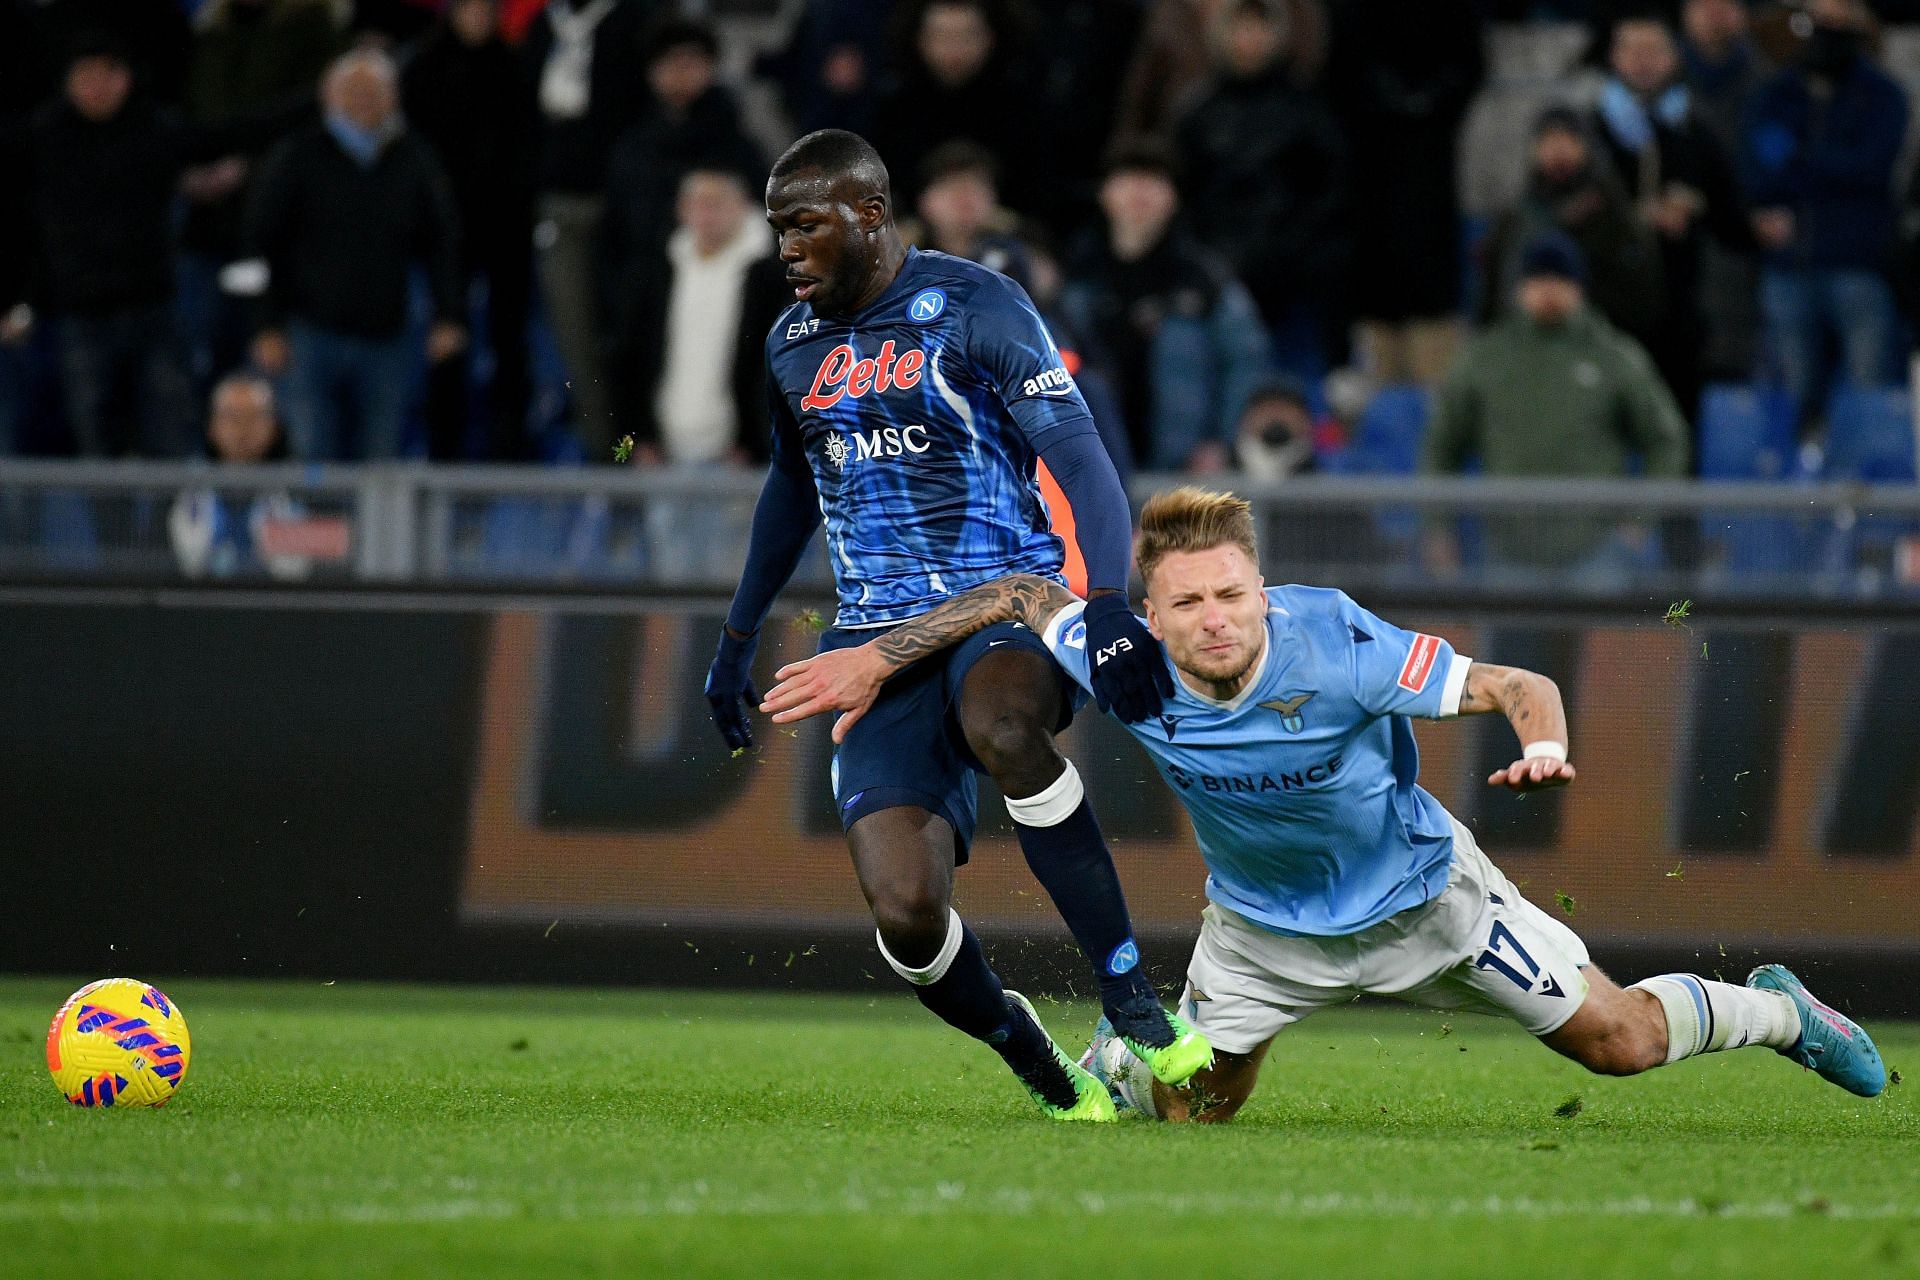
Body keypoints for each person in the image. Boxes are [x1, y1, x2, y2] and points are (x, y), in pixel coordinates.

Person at [761, 487, 1888, 1124]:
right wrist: (878, 658)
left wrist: (1542, 741)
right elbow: (1014, 588)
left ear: (1264, 586)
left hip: (1426, 897)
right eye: (1188, 600)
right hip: (1261, 927)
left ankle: (1783, 1011)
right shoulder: (1121, 657)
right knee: (1192, 1119)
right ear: (1146, 610)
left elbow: (1513, 684)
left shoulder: (1338, 643)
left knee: (1624, 1042)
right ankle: (1126, 1047)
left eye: (1234, 593)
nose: (1216, 619)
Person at [703, 129, 1207, 1121]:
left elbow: (1080, 452)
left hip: (1004, 607)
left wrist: (1107, 599)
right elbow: (788, 486)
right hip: (875, 638)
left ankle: (1128, 994)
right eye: (776, 231)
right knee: (905, 912)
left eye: (805, 225)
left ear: (873, 214)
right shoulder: (790, 343)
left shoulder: (975, 303)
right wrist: (735, 634)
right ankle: (1031, 1049)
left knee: (1004, 724)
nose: (787, 250)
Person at [245, 49, 465, 461]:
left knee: (381, 464)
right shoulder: (297, 156)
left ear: (394, 98)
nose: (363, 99)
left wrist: (448, 315)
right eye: (352, 90)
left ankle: (373, 532)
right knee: (312, 462)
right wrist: (264, 325)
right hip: (309, 336)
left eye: (374, 90)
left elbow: (442, 242)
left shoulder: (415, 159)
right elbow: (256, 245)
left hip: (386, 337)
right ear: (328, 96)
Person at [1428, 233, 1688, 579]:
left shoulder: (1613, 355)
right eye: (1538, 279)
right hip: (1509, 549)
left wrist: (1638, 522)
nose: (1549, 289)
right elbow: (1442, 446)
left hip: (1597, 549)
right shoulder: (1485, 358)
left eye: (1561, 279)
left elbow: (1666, 439)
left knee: (1607, 630)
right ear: (1519, 289)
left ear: (1579, 288)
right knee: (1507, 631)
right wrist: (1439, 527)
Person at [1058, 143, 1274, 473]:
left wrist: (1222, 441)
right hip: (1091, 467)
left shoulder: (1205, 279)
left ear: (1172, 198)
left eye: (1153, 180)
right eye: (1128, 178)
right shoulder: (1077, 277)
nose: (1139, 192)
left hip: (1181, 471)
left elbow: (1246, 361)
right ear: (1105, 194)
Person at [1744, 0, 1907, 427]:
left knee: (1866, 389)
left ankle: (1863, 489)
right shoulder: (1778, 92)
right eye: (1819, 24)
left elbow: (1871, 169)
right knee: (1788, 392)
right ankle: (1795, 488)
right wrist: (1826, 165)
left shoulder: (1884, 95)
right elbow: (1763, 162)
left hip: (1858, 261)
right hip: (1788, 263)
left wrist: (1802, 162)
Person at [1173, 0, 1348, 383]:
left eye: (1259, 29)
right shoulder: (1196, 113)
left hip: (1295, 265)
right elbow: (1184, 200)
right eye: (1240, 29)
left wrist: (1291, 246)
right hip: (1217, 264)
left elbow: (1330, 191)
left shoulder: (1307, 109)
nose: (1249, 41)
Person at [1589, 13, 1751, 421]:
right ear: (1614, 57)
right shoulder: (1591, 133)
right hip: (1608, 315)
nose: (1644, 62)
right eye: (1632, 51)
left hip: (1681, 315)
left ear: (1675, 57)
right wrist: (1635, 219)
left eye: (1655, 51)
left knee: (1678, 430)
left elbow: (1729, 218)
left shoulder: (1695, 132)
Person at [401, 0, 536, 460]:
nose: (477, 16)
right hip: (444, 232)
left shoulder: (515, 66)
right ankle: (445, 450)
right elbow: (414, 151)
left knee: (509, 338)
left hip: (506, 226)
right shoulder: (423, 67)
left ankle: (510, 447)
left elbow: (526, 147)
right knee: (447, 335)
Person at [1325, 0, 1484, 387]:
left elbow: (1471, 64)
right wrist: (1379, 96)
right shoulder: (1349, 15)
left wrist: (1432, 99)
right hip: (1369, 208)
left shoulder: (1453, 14)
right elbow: (1337, 71)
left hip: (1430, 208)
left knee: (1436, 389)